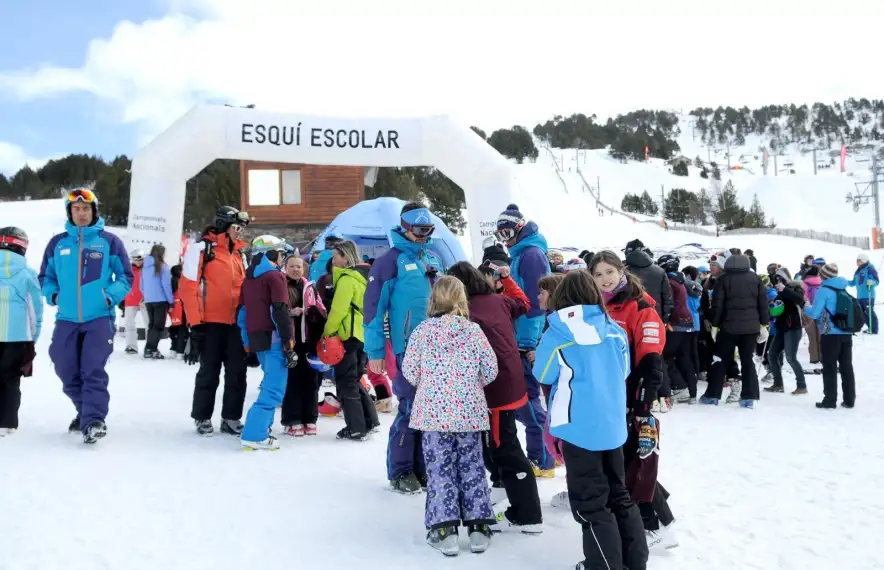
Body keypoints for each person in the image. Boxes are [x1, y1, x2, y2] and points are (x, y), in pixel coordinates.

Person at [533, 270, 648, 570]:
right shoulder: (613, 329)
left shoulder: (557, 332)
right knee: (619, 495)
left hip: (577, 428)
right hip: (611, 426)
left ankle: (603, 565)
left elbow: (542, 374)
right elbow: (624, 371)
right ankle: (634, 562)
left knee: (590, 503)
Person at [403, 276, 498, 556]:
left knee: (440, 470)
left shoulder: (422, 331)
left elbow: (410, 371)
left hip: (433, 415)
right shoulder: (473, 331)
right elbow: (490, 369)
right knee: (472, 467)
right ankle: (479, 528)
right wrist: (472, 383)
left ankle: (444, 530)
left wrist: (429, 383)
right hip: (469, 413)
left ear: (434, 299)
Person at [589, 251, 676, 552]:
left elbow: (651, 358)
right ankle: (655, 521)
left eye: (609, 272)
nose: (604, 279)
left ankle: (657, 525)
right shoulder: (596, 306)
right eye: (598, 274)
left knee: (637, 463)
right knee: (623, 465)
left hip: (632, 398)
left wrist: (641, 401)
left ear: (620, 270)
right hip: (607, 398)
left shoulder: (640, 306)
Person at [447, 262, 544, 534]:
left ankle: (528, 515)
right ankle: (505, 489)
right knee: (495, 444)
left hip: (494, 389)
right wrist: (507, 279)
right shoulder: (498, 300)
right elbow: (523, 303)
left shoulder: (465, 312)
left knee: (506, 448)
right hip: (507, 383)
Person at [39, 188, 132, 444]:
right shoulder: (58, 243)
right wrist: (54, 296)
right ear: (70, 212)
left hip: (99, 318)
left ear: (94, 211)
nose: (82, 213)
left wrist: (108, 296)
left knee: (92, 369)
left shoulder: (109, 242)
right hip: (67, 318)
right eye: (77, 209)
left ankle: (93, 421)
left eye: (86, 209)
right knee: (64, 367)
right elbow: (46, 278)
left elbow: (125, 277)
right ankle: (84, 411)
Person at [364, 202, 445, 493]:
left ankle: (422, 467)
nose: (424, 235)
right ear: (405, 228)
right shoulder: (389, 261)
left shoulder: (433, 258)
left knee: (432, 411)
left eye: (429, 230)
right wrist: (374, 352)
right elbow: (372, 309)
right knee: (410, 409)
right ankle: (400, 470)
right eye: (420, 230)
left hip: (438, 348)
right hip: (407, 348)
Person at [494, 203, 555, 478]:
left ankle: (543, 458)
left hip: (525, 336)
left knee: (529, 400)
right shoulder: (521, 253)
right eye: (500, 235)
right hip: (520, 334)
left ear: (519, 228)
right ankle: (544, 455)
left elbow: (535, 302)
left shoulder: (530, 255)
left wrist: (508, 307)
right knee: (527, 399)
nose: (505, 240)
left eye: (508, 232)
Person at [179, 205, 250, 436]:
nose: (240, 232)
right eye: (237, 227)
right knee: (209, 371)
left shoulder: (240, 254)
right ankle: (202, 416)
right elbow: (188, 287)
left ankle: (231, 417)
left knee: (237, 372)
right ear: (224, 226)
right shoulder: (201, 249)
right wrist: (195, 323)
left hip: (235, 323)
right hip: (210, 322)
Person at [237, 237, 298, 450]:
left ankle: (263, 428)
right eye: (281, 254)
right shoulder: (275, 277)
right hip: (274, 340)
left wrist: (247, 343)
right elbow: (280, 310)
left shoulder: (250, 278)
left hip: (258, 340)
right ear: (271, 254)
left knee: (269, 383)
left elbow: (242, 314)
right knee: (273, 389)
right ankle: (255, 434)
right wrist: (288, 344)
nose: (283, 259)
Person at [324, 240, 378, 441]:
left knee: (346, 382)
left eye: (336, 256)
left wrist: (327, 332)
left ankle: (356, 427)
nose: (333, 261)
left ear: (345, 257)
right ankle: (369, 420)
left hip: (348, 336)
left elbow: (338, 310)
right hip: (362, 334)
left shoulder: (347, 279)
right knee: (355, 380)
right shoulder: (364, 277)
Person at [700, 252, 768, 408]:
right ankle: (749, 397)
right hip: (751, 329)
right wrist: (764, 325)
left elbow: (718, 305)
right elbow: (763, 304)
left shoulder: (723, 279)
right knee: (747, 361)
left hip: (728, 327)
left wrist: (715, 325)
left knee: (719, 359)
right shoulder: (756, 279)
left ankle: (712, 395)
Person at [0, 228, 43, 435]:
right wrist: (33, 336)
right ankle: (7, 423)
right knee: (10, 377)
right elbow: (35, 309)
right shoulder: (28, 273)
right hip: (17, 336)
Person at [281, 254, 327, 436]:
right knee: (292, 381)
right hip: (291, 342)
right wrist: (290, 313)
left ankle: (310, 419)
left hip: (309, 341)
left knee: (311, 382)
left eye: (298, 267)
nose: (295, 270)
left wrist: (315, 312)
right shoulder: (281, 286)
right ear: (285, 267)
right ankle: (293, 420)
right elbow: (275, 310)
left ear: (304, 269)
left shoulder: (309, 287)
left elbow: (322, 309)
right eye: (291, 266)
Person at [803, 263, 856, 409]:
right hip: (846, 332)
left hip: (830, 333)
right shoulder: (843, 287)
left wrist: (805, 307)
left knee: (830, 367)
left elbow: (814, 313)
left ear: (824, 275)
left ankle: (830, 400)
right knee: (846, 367)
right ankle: (849, 400)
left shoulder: (824, 290)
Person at [657, 254, 698, 407]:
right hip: (688, 323)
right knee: (684, 357)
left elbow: (669, 302)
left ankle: (679, 387)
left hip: (675, 323)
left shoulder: (668, 281)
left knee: (664, 356)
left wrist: (666, 320)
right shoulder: (681, 280)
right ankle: (691, 392)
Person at [763, 269, 806, 394]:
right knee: (772, 355)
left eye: (781, 278)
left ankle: (802, 385)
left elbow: (799, 300)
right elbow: (778, 306)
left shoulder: (796, 288)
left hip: (793, 328)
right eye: (777, 279)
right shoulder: (779, 291)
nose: (779, 281)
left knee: (790, 357)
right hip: (781, 328)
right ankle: (778, 384)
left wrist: (785, 290)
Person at [623, 239, 673, 324]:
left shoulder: (621, 271)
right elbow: (667, 299)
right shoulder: (660, 271)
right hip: (655, 317)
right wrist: (664, 320)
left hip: (628, 318)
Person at [140, 244, 174, 359]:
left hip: (149, 300)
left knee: (152, 325)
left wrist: (147, 295)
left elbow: (142, 285)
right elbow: (166, 285)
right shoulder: (162, 267)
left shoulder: (145, 267)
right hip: (160, 299)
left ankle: (149, 349)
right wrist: (171, 301)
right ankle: (151, 349)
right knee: (158, 326)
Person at [849, 252, 878, 334]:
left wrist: (871, 282)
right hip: (860, 296)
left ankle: (874, 329)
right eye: (857, 260)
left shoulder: (870, 269)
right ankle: (869, 327)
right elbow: (853, 283)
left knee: (869, 312)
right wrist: (845, 282)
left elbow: (876, 281)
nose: (857, 262)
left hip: (868, 295)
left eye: (859, 260)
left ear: (864, 261)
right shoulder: (858, 271)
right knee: (862, 314)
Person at [123, 249, 145, 354]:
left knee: (149, 323)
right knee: (129, 323)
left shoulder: (147, 269)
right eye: (135, 259)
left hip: (144, 299)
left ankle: (150, 346)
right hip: (130, 299)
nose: (138, 262)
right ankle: (131, 346)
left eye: (140, 259)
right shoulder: (128, 270)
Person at [168, 263, 188, 359]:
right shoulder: (182, 282)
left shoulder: (170, 281)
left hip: (173, 308)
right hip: (182, 308)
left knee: (174, 329)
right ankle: (180, 351)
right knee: (182, 330)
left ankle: (173, 348)